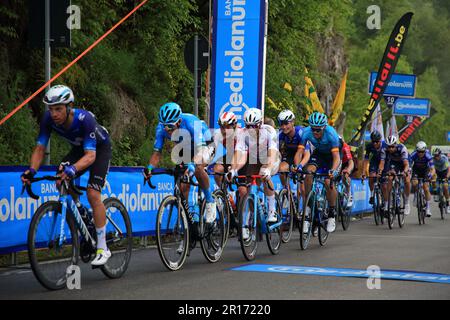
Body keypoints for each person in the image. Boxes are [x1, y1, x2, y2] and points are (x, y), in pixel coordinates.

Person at [20, 85, 112, 266]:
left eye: (58, 109)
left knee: (93, 193)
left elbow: (91, 156)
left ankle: (103, 247)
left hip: (99, 150)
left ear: (69, 107)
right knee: (60, 180)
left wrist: (73, 170)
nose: (54, 114)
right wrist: (31, 171)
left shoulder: (85, 119)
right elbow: (40, 148)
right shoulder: (48, 119)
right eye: (51, 109)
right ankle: (81, 211)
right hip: (79, 150)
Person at [143, 102, 216, 224]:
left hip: (204, 144)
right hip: (185, 147)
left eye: (170, 126)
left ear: (179, 121)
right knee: (182, 186)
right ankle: (191, 223)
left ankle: (210, 201)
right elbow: (157, 153)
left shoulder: (192, 123)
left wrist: (192, 165)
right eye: (165, 126)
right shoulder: (161, 128)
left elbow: (200, 151)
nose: (167, 130)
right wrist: (149, 168)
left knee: (198, 168)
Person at [228, 108, 281, 239]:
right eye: (248, 126)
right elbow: (240, 155)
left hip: (270, 157)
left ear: (260, 124)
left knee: (264, 174)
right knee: (249, 187)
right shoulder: (242, 133)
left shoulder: (269, 131)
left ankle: (272, 210)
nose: (251, 129)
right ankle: (247, 222)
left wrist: (268, 168)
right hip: (253, 158)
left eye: (254, 126)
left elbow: (272, 153)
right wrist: (233, 169)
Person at [296, 112, 341, 233]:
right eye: (313, 129)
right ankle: (309, 207)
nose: (315, 133)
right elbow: (299, 152)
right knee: (308, 173)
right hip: (319, 155)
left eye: (318, 130)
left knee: (328, 181)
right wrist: (298, 166)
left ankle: (332, 213)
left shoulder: (331, 134)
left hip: (332, 157)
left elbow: (336, 157)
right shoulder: (306, 132)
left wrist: (332, 170)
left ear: (324, 127)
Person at [377, 135, 411, 216]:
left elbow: (406, 164)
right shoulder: (384, 149)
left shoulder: (402, 148)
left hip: (405, 162)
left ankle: (406, 202)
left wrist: (404, 172)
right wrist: (380, 171)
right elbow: (382, 163)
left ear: (395, 145)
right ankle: (389, 201)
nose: (391, 149)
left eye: (392, 146)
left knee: (407, 180)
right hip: (394, 163)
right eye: (389, 147)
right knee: (389, 177)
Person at [410, 141, 435, 217]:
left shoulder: (428, 156)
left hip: (425, 170)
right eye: (419, 152)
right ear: (416, 150)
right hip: (416, 170)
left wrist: (430, 175)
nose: (420, 153)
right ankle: (416, 195)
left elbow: (433, 169)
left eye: (422, 152)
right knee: (414, 183)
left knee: (426, 188)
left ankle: (428, 207)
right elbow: (409, 165)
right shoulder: (413, 155)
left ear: (425, 150)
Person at [362, 131, 387, 205]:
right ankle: (372, 194)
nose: (375, 143)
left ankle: (386, 202)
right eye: (373, 142)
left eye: (376, 142)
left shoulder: (385, 145)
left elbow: (382, 162)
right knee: (372, 176)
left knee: (384, 184)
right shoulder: (369, 146)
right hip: (375, 161)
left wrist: (379, 172)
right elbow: (366, 160)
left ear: (380, 140)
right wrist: (363, 172)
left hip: (385, 161)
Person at [431, 148, 450, 214]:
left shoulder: (444, 158)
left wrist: (447, 177)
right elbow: (431, 169)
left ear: (440, 154)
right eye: (435, 156)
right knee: (433, 180)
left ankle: (447, 204)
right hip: (437, 172)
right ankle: (435, 193)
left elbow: (449, 169)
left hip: (445, 173)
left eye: (437, 155)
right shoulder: (432, 159)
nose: (436, 157)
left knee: (445, 186)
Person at [339, 136, 355, 207]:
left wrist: (348, 170)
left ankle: (349, 194)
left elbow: (350, 162)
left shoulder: (345, 147)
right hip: (335, 161)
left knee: (345, 175)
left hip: (345, 163)